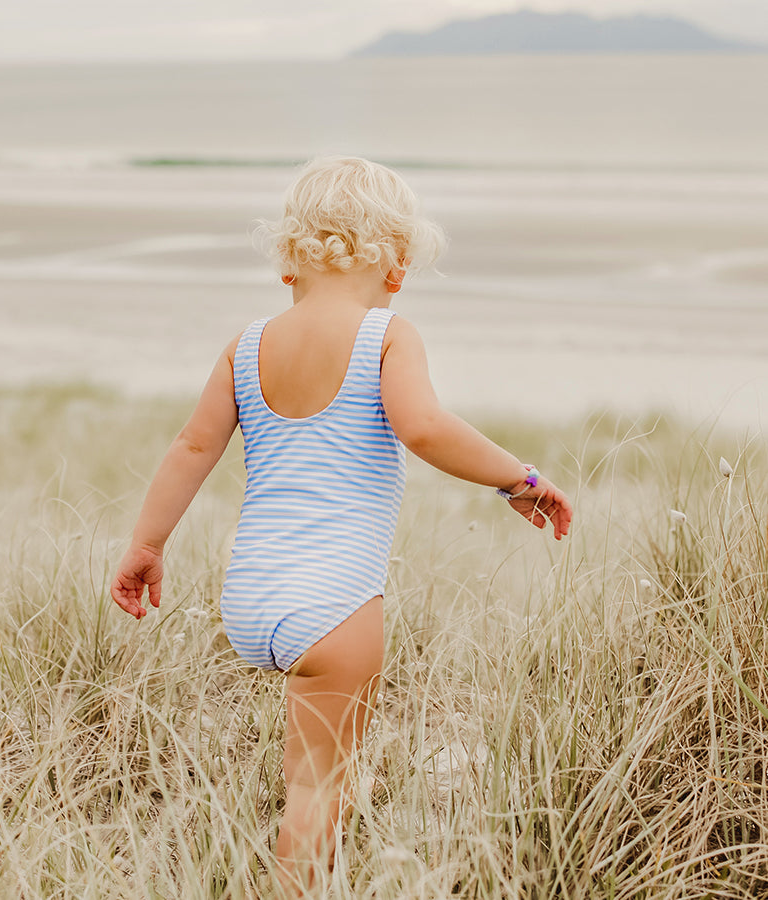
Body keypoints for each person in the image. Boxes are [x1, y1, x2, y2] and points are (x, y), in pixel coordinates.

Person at [110, 156, 573, 895]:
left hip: (252, 601)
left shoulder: (248, 343)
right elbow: (422, 427)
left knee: (307, 768)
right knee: (316, 788)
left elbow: (192, 446)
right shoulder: (387, 335)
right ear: (397, 264)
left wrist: (146, 546)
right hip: (335, 605)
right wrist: (518, 477)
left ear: (288, 263)